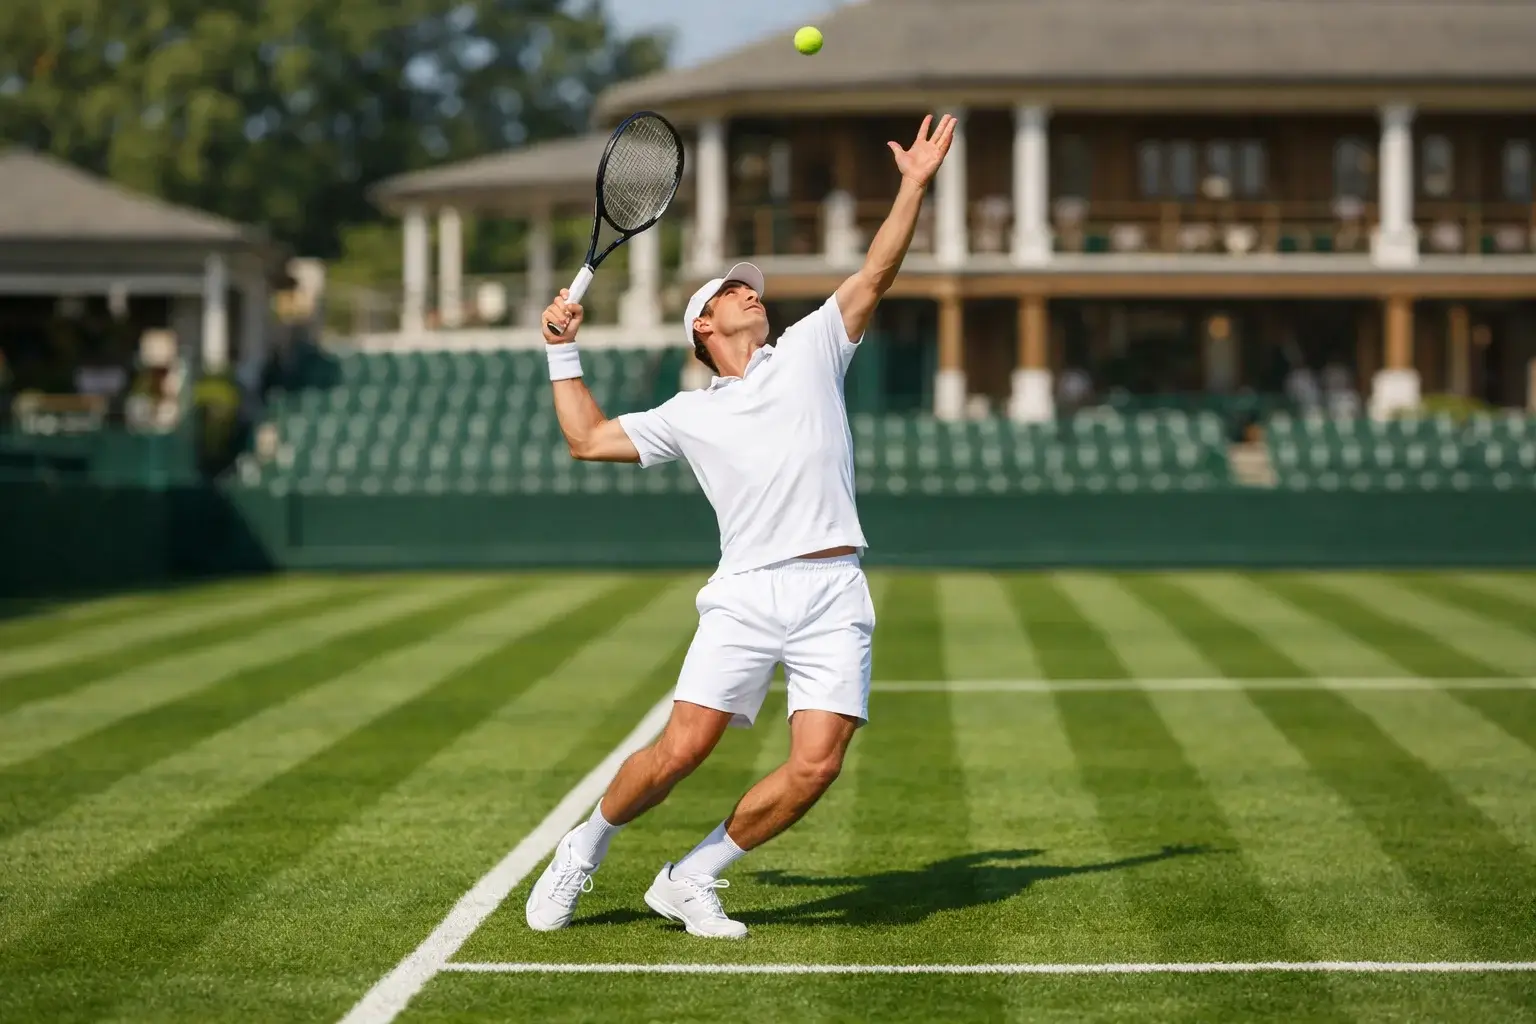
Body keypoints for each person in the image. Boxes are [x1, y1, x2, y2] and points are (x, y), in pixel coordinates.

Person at [524, 114, 956, 939]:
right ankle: (585, 847)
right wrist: (560, 352)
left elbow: (878, 269)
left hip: (835, 586)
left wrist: (914, 185)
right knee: (680, 752)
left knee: (818, 764)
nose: (748, 290)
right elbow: (585, 439)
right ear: (704, 329)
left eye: (748, 285)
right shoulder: (688, 414)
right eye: (730, 290)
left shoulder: (812, 349)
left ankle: (691, 878)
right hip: (748, 595)